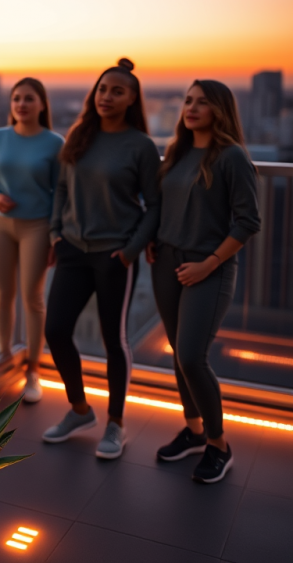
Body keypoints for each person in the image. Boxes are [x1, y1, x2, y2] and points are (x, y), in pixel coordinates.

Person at [42, 59, 160, 459]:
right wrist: (56, 234)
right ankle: (79, 410)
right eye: (102, 89)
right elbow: (61, 187)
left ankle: (116, 424)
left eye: (117, 91)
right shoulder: (79, 135)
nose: (106, 97)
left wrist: (129, 251)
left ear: (131, 99)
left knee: (115, 340)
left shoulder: (141, 145)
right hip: (73, 249)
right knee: (56, 330)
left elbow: (154, 206)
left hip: (115, 255)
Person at [148, 80, 259, 483]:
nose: (191, 108)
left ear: (220, 110)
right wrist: (154, 241)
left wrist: (208, 264)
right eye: (188, 101)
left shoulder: (231, 157)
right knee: (180, 353)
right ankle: (194, 432)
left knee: (193, 357)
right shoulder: (177, 151)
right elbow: (164, 205)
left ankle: (219, 445)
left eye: (202, 103)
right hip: (166, 263)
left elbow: (248, 221)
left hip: (206, 268)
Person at [0, 78, 63, 402]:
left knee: (33, 298)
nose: (21, 104)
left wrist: (56, 236)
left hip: (37, 227)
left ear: (42, 105)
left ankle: (33, 372)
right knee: (2, 294)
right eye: (16, 99)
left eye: (28, 99)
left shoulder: (55, 143)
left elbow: (60, 194)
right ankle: (5, 358)